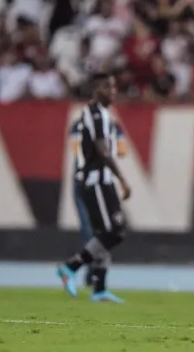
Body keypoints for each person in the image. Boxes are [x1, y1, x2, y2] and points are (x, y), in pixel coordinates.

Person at [56, 73, 132, 303]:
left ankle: (99, 288)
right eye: (107, 87)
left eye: (113, 87)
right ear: (95, 89)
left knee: (106, 234)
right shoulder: (94, 114)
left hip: (102, 180)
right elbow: (102, 149)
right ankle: (71, 266)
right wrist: (122, 178)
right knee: (114, 232)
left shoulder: (103, 114)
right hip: (96, 180)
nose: (113, 91)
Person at [68, 117, 127, 287]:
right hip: (87, 184)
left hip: (104, 184)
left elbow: (121, 150)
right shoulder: (80, 125)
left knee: (105, 231)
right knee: (93, 230)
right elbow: (78, 151)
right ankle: (92, 275)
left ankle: (86, 272)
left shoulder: (112, 126)